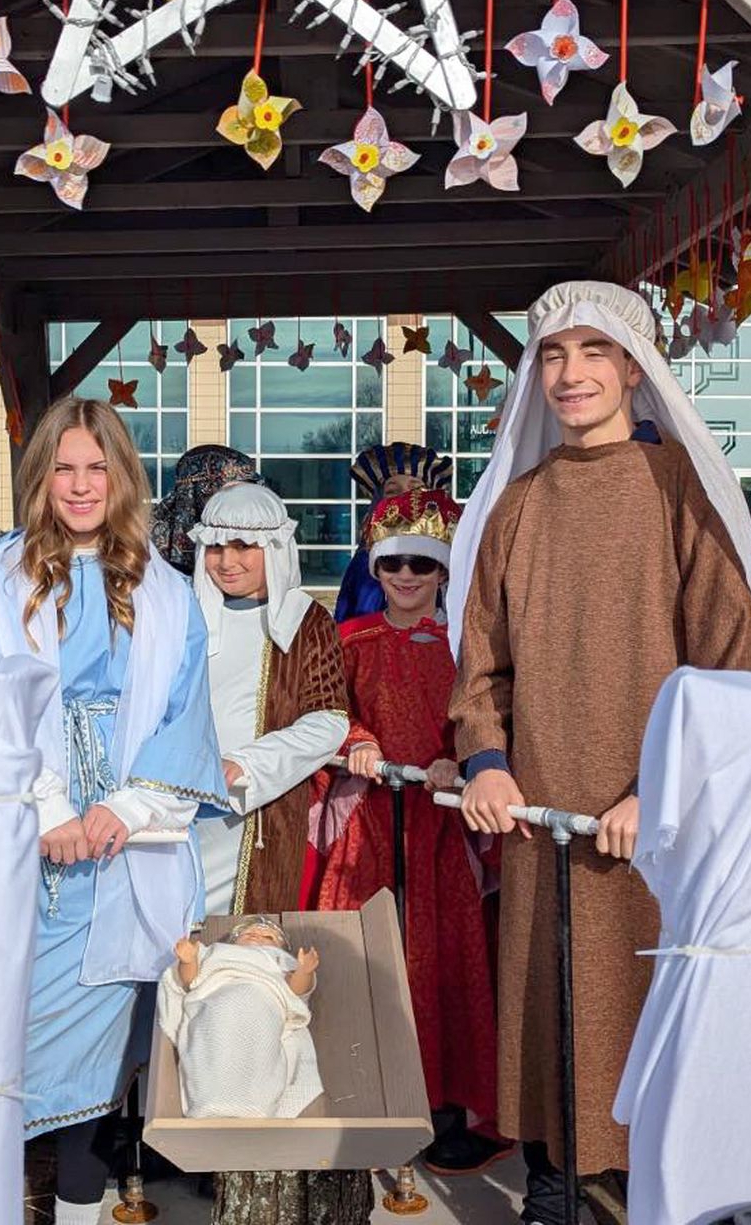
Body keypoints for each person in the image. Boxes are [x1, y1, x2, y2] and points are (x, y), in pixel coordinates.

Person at [447, 280, 751, 1222]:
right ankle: (552, 1193)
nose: (571, 372)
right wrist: (489, 760)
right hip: (538, 824)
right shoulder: (516, 505)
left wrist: (659, 790)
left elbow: (733, 664)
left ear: (635, 367)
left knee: (645, 1040)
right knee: (551, 1038)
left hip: (653, 835)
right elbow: (481, 669)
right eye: (553, 354)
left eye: (594, 351)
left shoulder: (682, 493)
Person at [0, 397, 225, 1225]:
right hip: (19, 844)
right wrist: (48, 807)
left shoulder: (169, 591)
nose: (80, 484)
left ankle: (73, 1213)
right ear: (40, 476)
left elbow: (187, 712)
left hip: (126, 854)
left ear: (122, 476)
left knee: (95, 1070)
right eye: (64, 467)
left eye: (97, 467)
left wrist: (129, 807)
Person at [315, 488, 505, 1175]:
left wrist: (464, 759)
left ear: (443, 572)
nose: (403, 576)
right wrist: (357, 738)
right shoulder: (348, 641)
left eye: (420, 566)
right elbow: (323, 709)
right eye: (391, 562)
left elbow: (485, 716)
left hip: (439, 830)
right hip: (366, 826)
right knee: (359, 954)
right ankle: (361, 1094)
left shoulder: (466, 650)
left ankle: (442, 1101)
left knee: (445, 959)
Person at [187, 480, 349, 919]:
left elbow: (329, 720)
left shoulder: (305, 621)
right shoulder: (182, 613)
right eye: (216, 547)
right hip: (179, 812)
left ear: (274, 549)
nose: (227, 561)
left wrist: (247, 765)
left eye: (244, 547)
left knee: (244, 953)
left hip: (257, 820)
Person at [158, 917, 322, 1120]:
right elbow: (191, 980)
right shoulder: (216, 953)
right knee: (212, 1044)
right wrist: (188, 961)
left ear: (280, 947)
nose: (258, 937)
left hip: (263, 1006)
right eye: (250, 934)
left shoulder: (279, 961)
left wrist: (304, 972)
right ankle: (207, 1099)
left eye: (268, 937)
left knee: (259, 1050)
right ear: (235, 941)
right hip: (215, 1004)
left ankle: (254, 1103)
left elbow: (296, 991)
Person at [334, 443, 454, 622]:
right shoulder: (363, 565)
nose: (404, 497)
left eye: (415, 489)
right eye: (392, 491)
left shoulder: (453, 562)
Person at [149, 444, 261, 576]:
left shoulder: (253, 530)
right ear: (200, 490)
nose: (241, 500)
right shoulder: (145, 545)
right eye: (233, 490)